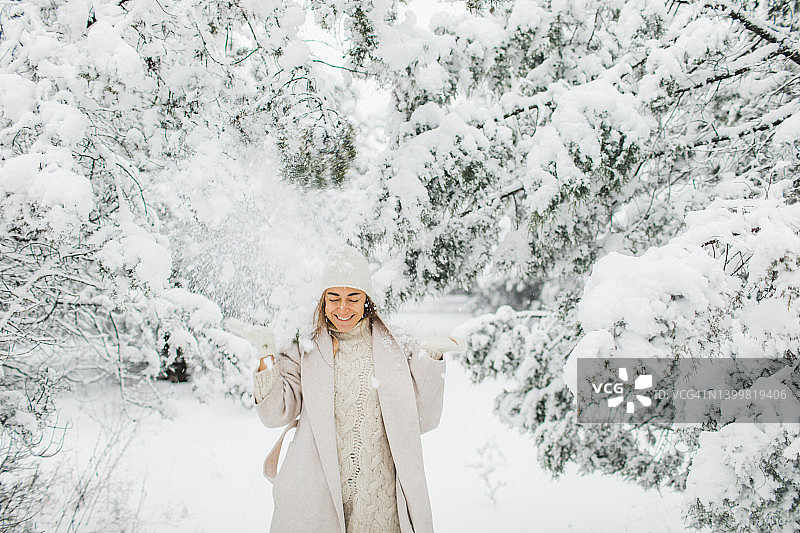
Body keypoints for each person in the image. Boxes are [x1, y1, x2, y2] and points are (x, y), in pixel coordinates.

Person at [227, 247, 462, 533]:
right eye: (333, 298)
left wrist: (431, 362)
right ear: (322, 301)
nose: (342, 308)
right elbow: (275, 414)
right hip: (319, 495)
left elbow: (422, 419)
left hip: (380, 501)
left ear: (367, 300)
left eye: (353, 298)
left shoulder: (396, 346)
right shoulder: (305, 347)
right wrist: (266, 355)